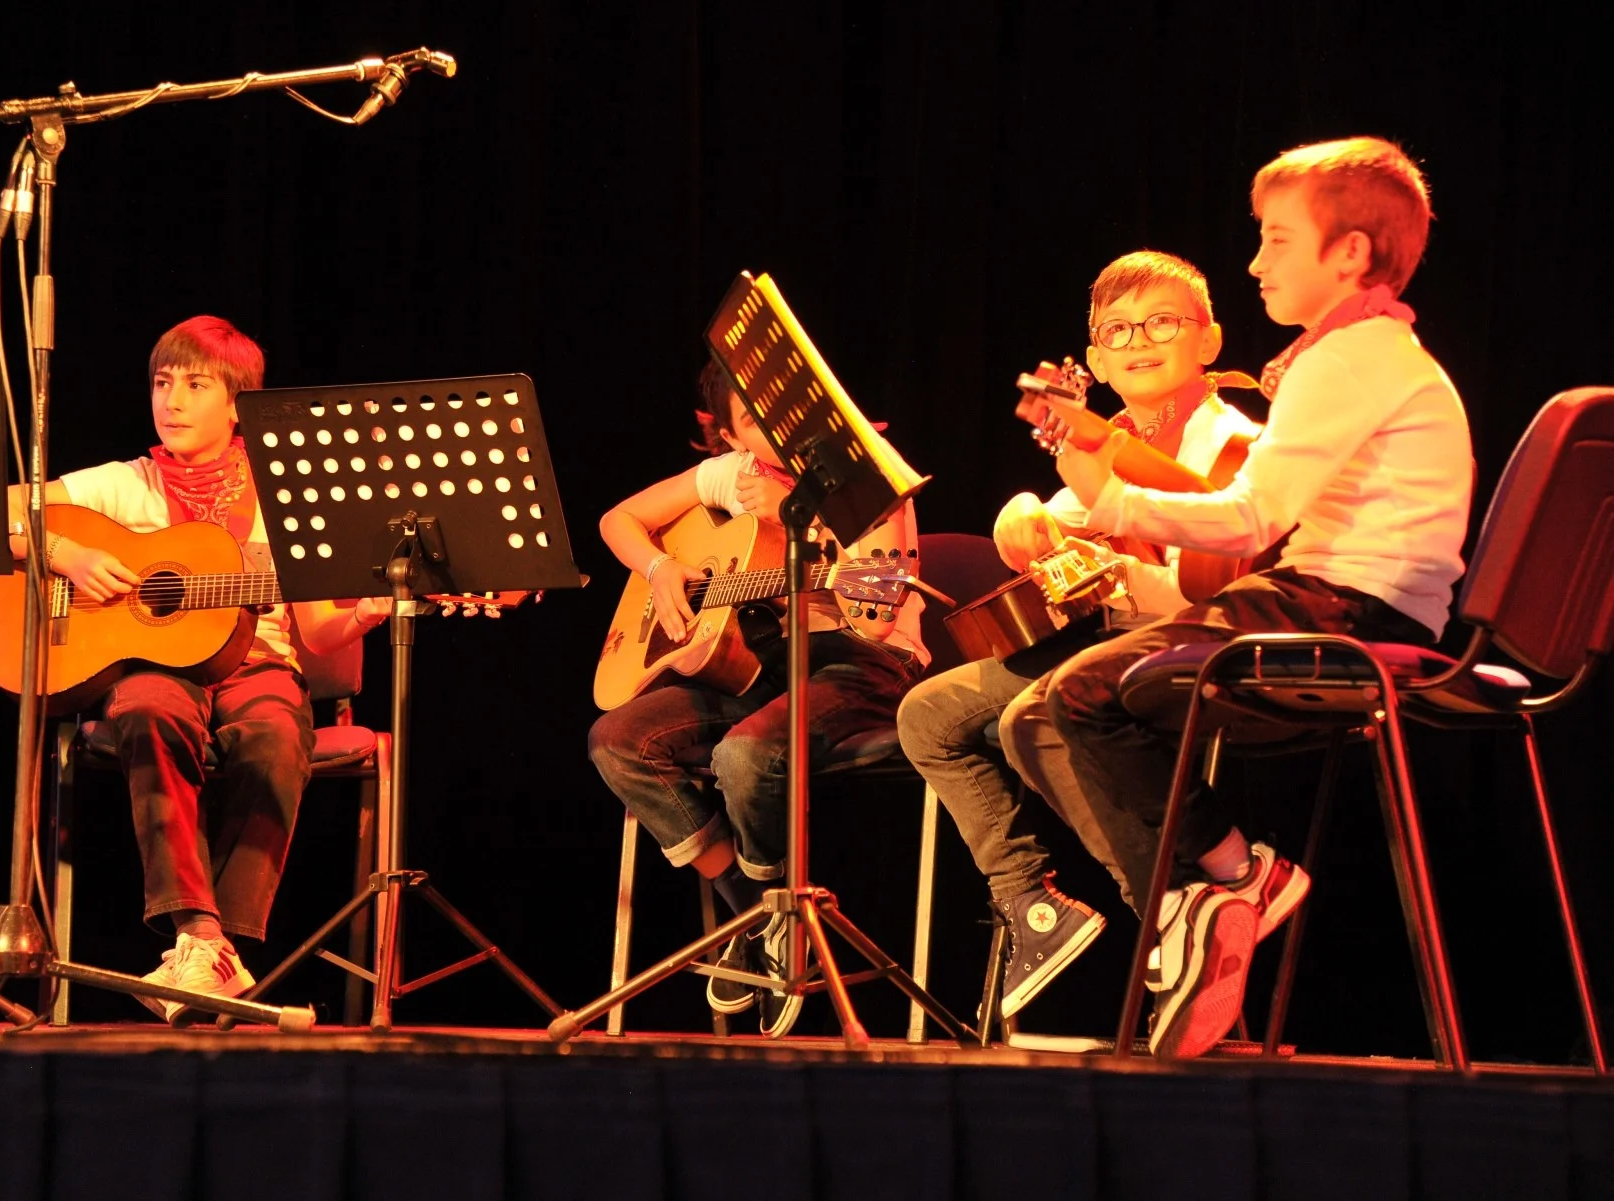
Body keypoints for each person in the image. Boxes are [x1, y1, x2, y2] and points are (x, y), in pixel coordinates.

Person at [1009, 136, 1472, 1058]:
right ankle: (1217, 892)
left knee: (1084, 694)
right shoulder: (1366, 351)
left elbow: (1250, 515)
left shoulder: (1352, 357)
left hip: (1345, 608)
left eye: (1277, 240)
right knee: (1072, 697)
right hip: (1349, 600)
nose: (1257, 262)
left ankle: (1234, 880)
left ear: (1349, 253)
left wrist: (1109, 500)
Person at [897, 250, 1277, 1023]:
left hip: (1190, 649)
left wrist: (1109, 566)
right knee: (926, 714)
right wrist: (1022, 517)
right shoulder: (1112, 439)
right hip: (1102, 649)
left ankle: (1174, 918)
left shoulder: (1237, 446)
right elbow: (1056, 523)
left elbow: (1206, 587)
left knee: (1031, 717)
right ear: (1095, 361)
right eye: (1117, 330)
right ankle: (1034, 905)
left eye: (1162, 322)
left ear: (1208, 339)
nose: (1139, 341)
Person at [5, 315, 391, 1023]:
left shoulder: (281, 495)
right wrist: (68, 554)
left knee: (276, 735)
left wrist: (366, 611)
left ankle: (209, 952)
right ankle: (205, 940)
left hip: (259, 665)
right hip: (155, 666)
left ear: (239, 403)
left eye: (195, 384)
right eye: (161, 382)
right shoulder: (129, 483)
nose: (172, 400)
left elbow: (318, 630)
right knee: (147, 708)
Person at [587, 359, 927, 1037]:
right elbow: (617, 519)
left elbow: (874, 618)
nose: (771, 430)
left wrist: (801, 523)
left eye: (781, 409)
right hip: (765, 666)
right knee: (618, 741)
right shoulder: (732, 474)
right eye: (750, 420)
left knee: (743, 756)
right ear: (731, 434)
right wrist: (660, 567)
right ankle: (756, 911)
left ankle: (769, 920)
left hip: (863, 664)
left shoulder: (869, 473)